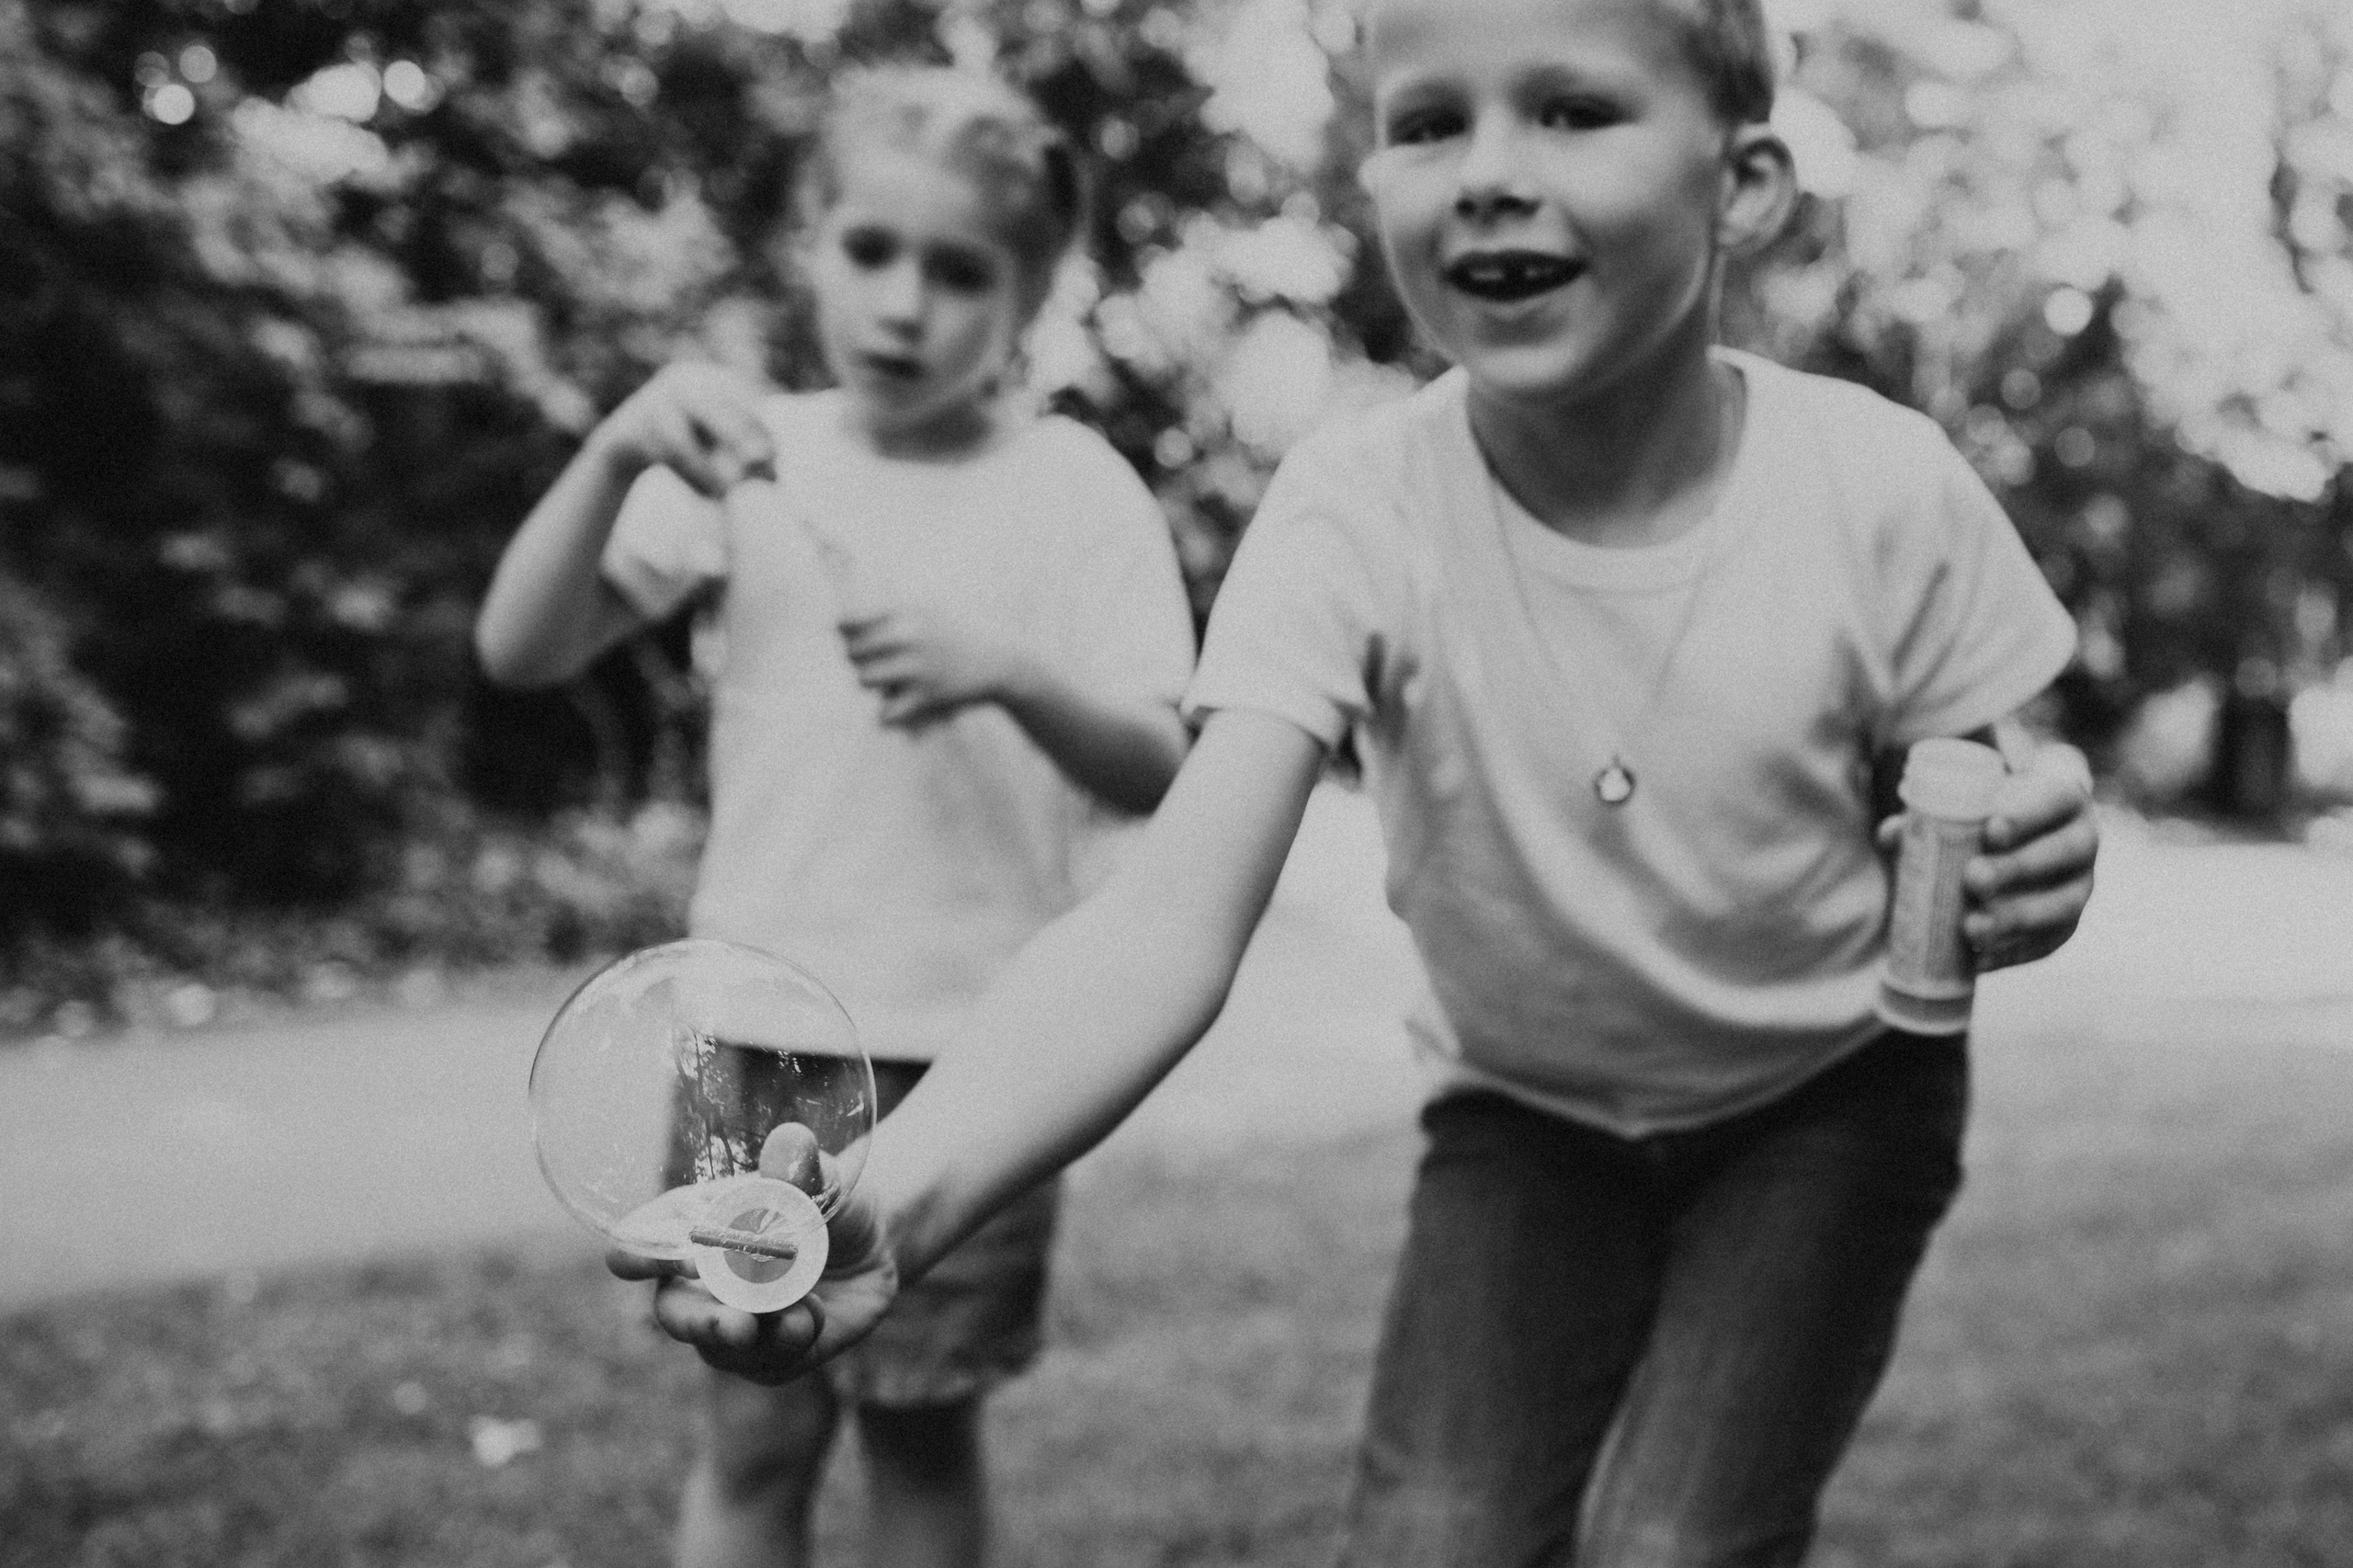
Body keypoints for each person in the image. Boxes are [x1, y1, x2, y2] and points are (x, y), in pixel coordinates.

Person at [628, 1, 2103, 1562]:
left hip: (1825, 1102)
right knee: (1433, 1536)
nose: (1486, 173)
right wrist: (890, 1205)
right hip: (1530, 1118)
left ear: (1741, 183)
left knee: (1674, 1540)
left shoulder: (1879, 486)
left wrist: (2033, 856)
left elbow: (1996, 785)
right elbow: (1162, 921)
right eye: (1426, 123)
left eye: (1572, 111)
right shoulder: (1353, 508)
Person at [475, 64, 1196, 1568]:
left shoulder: (1076, 490)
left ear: (1030, 293)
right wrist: (614, 450)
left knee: (921, 1421)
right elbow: (522, 649)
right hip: (754, 1036)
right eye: (870, 251)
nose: (903, 302)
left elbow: (1167, 767)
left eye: (958, 270)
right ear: (809, 242)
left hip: (986, 1052)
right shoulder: (753, 465)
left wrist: (1008, 673)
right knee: (752, 1428)